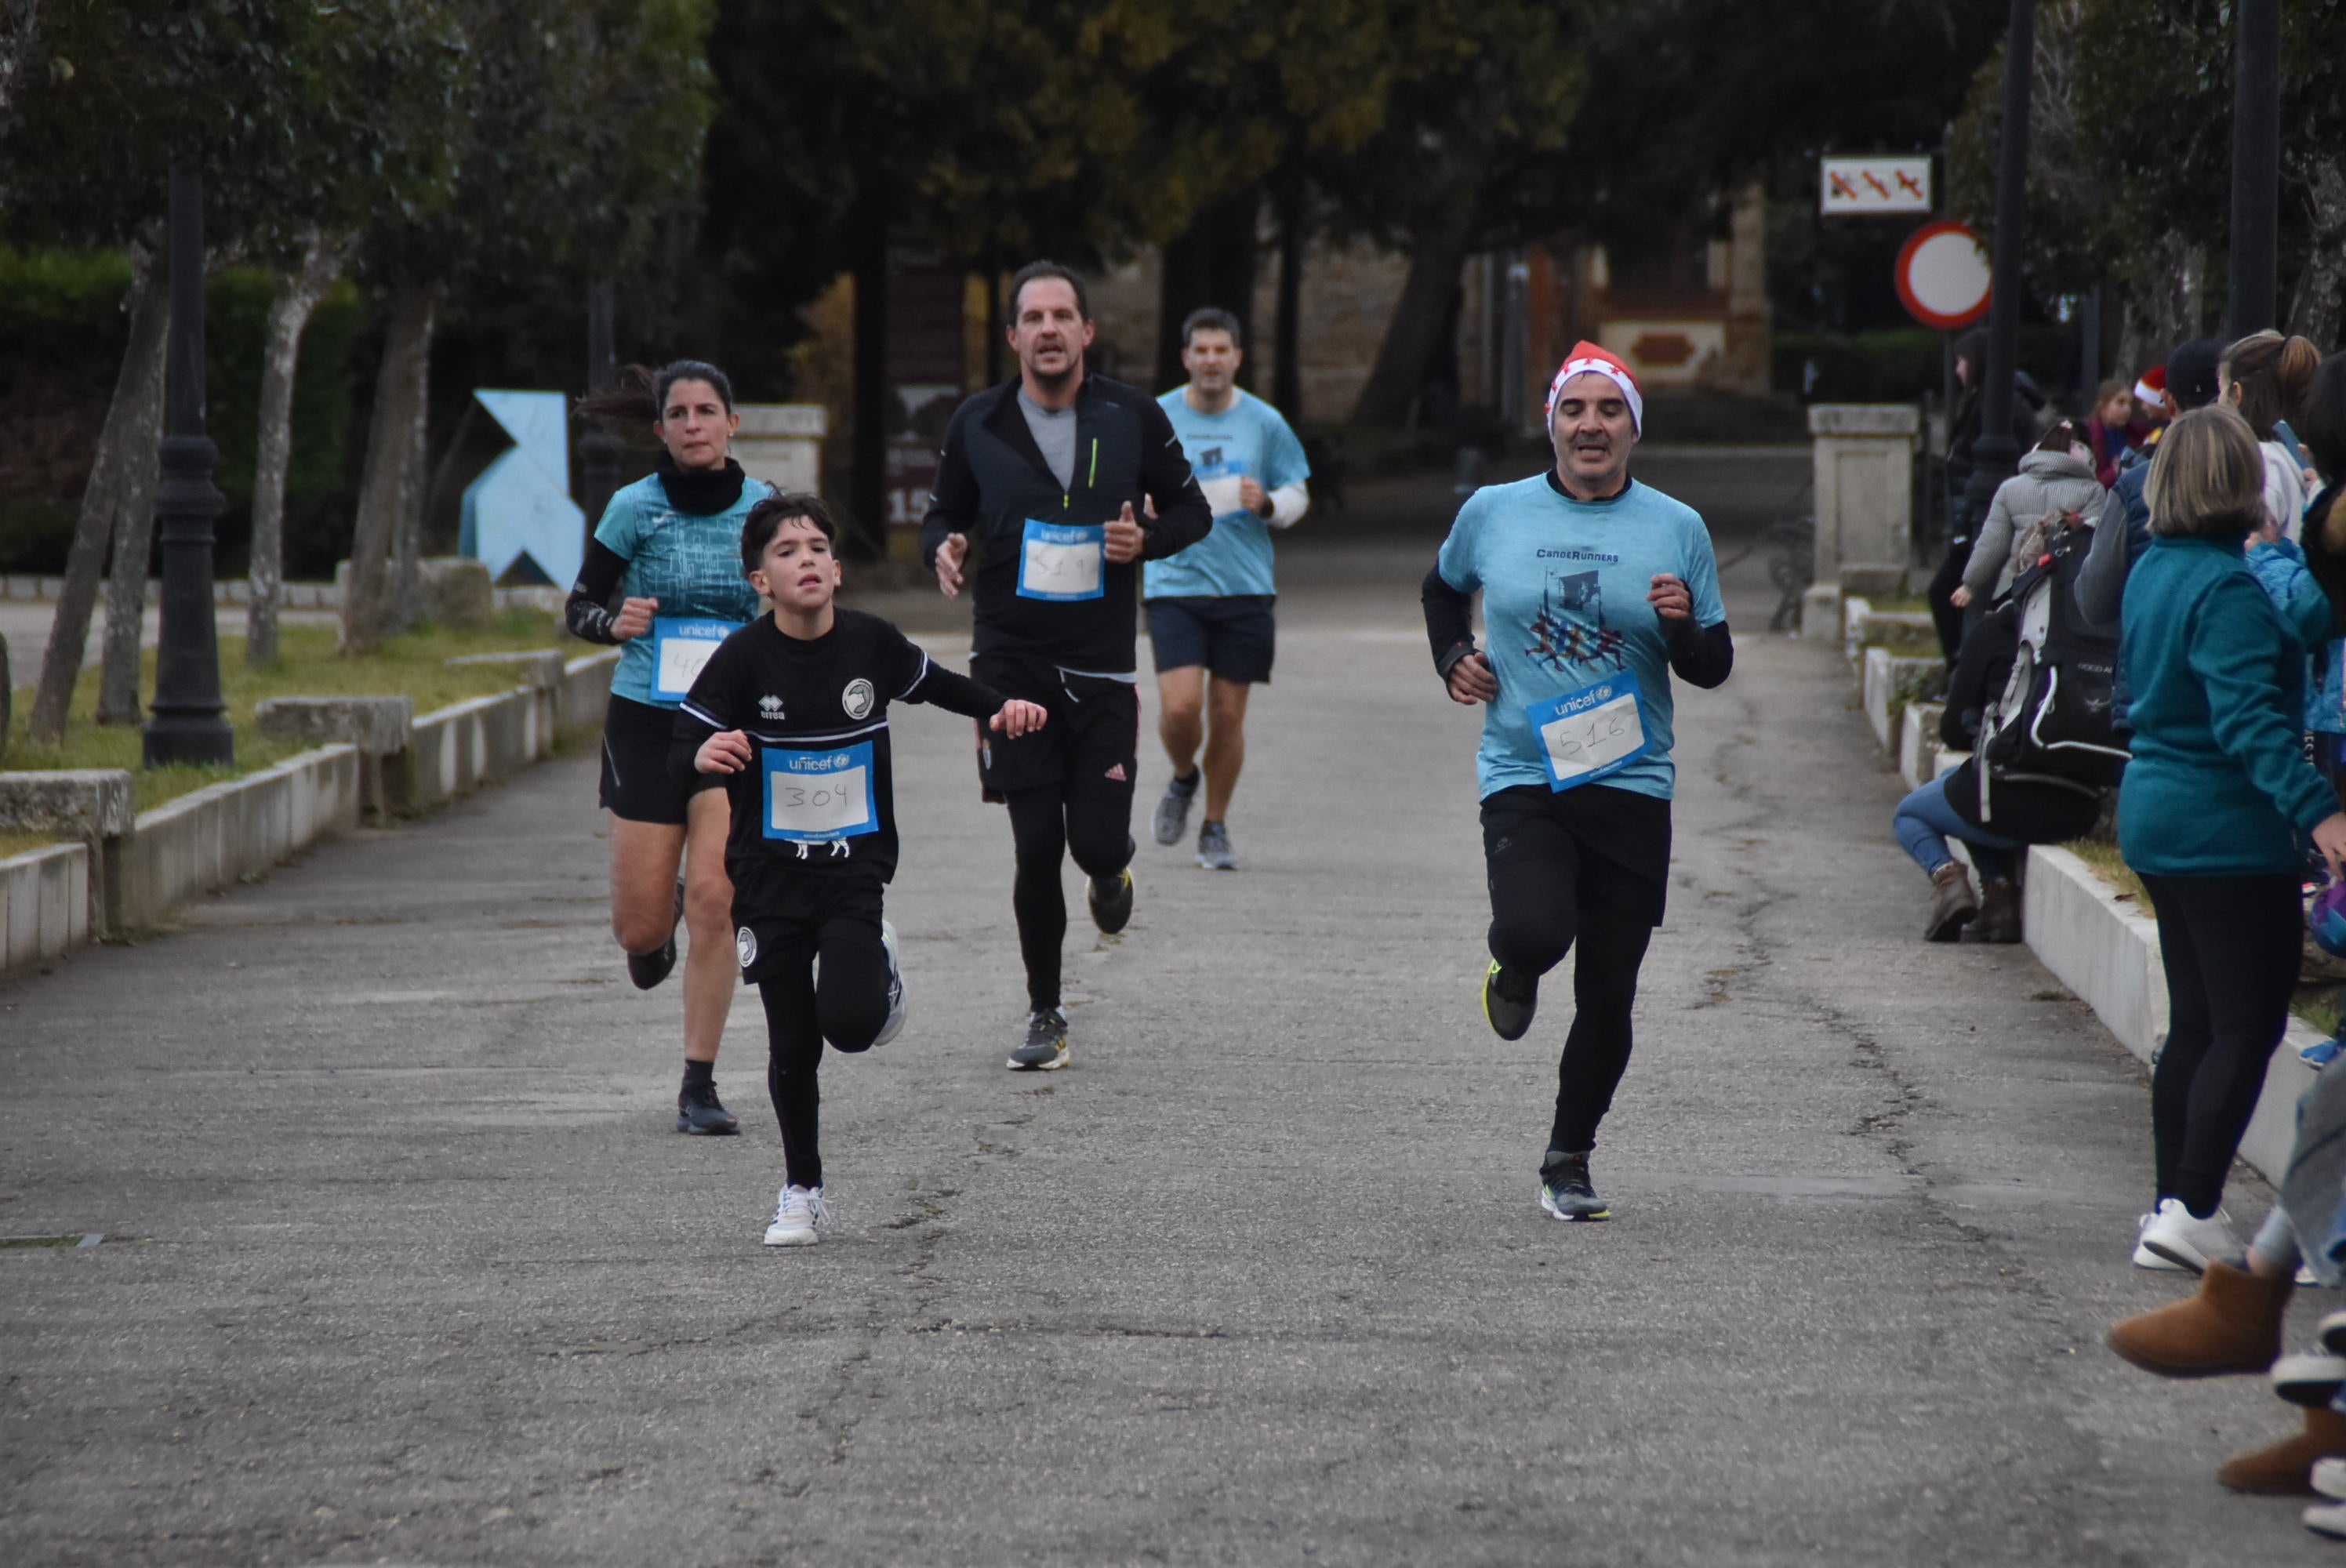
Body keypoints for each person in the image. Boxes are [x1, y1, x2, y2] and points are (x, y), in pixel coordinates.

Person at [673, 494, 1048, 1246]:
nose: (805, 559)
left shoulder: (870, 645)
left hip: (852, 872)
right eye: (787, 551)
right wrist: (698, 754)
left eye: (817, 547)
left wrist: (1002, 706)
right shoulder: (744, 659)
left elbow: (939, 684)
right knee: (791, 1042)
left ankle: (880, 969)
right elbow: (683, 731)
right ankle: (801, 1191)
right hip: (768, 878)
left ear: (838, 571)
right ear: (760, 581)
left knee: (847, 1025)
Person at [1422, 341, 1732, 1224]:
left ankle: (1569, 1156)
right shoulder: (1493, 511)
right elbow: (1440, 591)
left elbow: (1712, 665)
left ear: (1634, 427)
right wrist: (1453, 655)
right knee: (1535, 925)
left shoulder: (1676, 527)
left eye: (1608, 411)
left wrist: (1677, 631)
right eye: (1573, 409)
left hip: (1630, 778)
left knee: (1609, 989)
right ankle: (1513, 966)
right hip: (1524, 768)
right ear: (1551, 422)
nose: (1590, 425)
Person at [920, 261, 1211, 1070]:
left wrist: (1146, 539)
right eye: (1032, 318)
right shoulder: (976, 421)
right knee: (1034, 840)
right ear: (1012, 336)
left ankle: (1112, 871)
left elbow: (1194, 510)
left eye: (1063, 316)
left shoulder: (1131, 415)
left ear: (1086, 332)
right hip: (1008, 662)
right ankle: (1045, 1010)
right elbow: (944, 509)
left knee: (1093, 843)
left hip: (1102, 669)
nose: (1048, 329)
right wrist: (939, 544)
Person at [2115, 404, 2346, 1273]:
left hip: (2155, 813)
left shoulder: (2158, 569)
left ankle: (2170, 1202)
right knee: (2245, 1024)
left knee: (2197, 1023)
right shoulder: (2227, 592)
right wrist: (2319, 812)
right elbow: (2249, 721)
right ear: (2240, 485)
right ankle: (2191, 1205)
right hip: (2223, 827)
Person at [568, 361, 774, 1135]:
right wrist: (611, 622)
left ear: (732, 422)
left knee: (717, 897)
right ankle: (655, 933)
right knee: (642, 927)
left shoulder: (764, 510)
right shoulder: (633, 508)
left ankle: (700, 1082)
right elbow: (580, 604)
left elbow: (802, 595)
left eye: (707, 410)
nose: (694, 424)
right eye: (679, 413)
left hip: (729, 725)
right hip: (648, 720)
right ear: (660, 429)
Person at [1142, 307, 1312, 870]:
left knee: (1229, 716)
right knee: (1182, 709)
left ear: (1237, 358)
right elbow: (1127, 484)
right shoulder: (1157, 416)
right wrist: (1139, 508)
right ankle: (1184, 776)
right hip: (1174, 581)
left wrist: (1267, 504)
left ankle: (1214, 826)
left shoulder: (1264, 422)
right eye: (1202, 351)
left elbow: (1298, 491)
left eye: (1222, 351)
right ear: (1186, 357)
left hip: (1244, 588)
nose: (1211, 360)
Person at [1894, 583, 2104, 942]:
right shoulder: (2099, 629)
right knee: (1959, 781)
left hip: (2007, 802)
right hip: (2080, 808)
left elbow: (1952, 730)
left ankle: (1951, 883)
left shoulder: (1998, 629)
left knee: (1910, 814)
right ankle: (1999, 903)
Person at [2075, 337, 2224, 638]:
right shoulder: (2265, 469)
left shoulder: (2134, 484)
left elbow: (2094, 601)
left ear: (2168, 400)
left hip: (2149, 664)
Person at [1930, 328, 2045, 665]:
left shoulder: (2004, 404)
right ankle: (1961, 671)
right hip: (1973, 515)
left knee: (1962, 596)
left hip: (1988, 517)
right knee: (1956, 595)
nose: (1958, 371)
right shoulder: (1984, 399)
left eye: (1962, 362)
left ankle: (1966, 676)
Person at [1952, 419, 2104, 617]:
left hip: (2017, 586)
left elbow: (1992, 542)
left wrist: (1970, 585)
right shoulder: (2093, 491)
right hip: (2066, 590)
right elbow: (2096, 545)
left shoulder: (2010, 488)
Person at [2220, 330, 2321, 542]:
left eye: (2220, 388)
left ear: (2236, 394)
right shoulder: (2300, 457)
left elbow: (2254, 553)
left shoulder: (2259, 464)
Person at [2084, 378, 2147, 487]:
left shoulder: (2138, 435)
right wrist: (2113, 471)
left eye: (2130, 404)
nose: (2128, 409)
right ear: (2102, 406)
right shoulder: (2087, 436)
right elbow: (2085, 485)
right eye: (2120, 402)